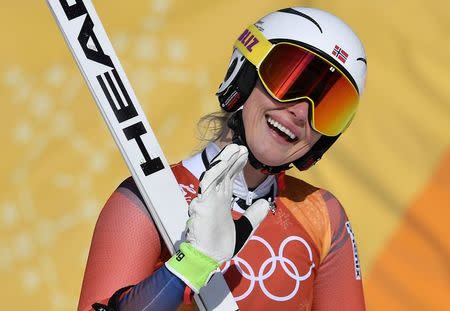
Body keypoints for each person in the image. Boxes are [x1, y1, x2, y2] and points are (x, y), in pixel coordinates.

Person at [78, 7, 367, 311]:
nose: (300, 112)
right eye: (289, 82)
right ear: (243, 76)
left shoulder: (322, 217)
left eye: (328, 106)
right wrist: (189, 267)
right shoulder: (147, 197)